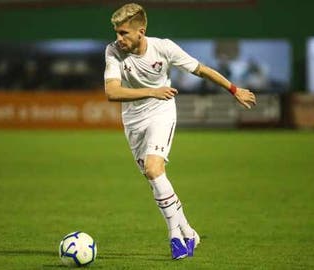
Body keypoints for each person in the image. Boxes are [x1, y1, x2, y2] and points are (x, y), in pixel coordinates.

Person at [103, 3, 256, 260]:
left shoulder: (163, 48)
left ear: (141, 31)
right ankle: (189, 232)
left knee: (154, 168)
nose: (118, 39)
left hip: (161, 112)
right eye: (117, 33)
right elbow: (112, 92)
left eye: (123, 33)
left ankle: (175, 236)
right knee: (155, 179)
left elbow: (202, 70)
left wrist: (234, 90)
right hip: (132, 120)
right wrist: (152, 90)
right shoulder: (113, 52)